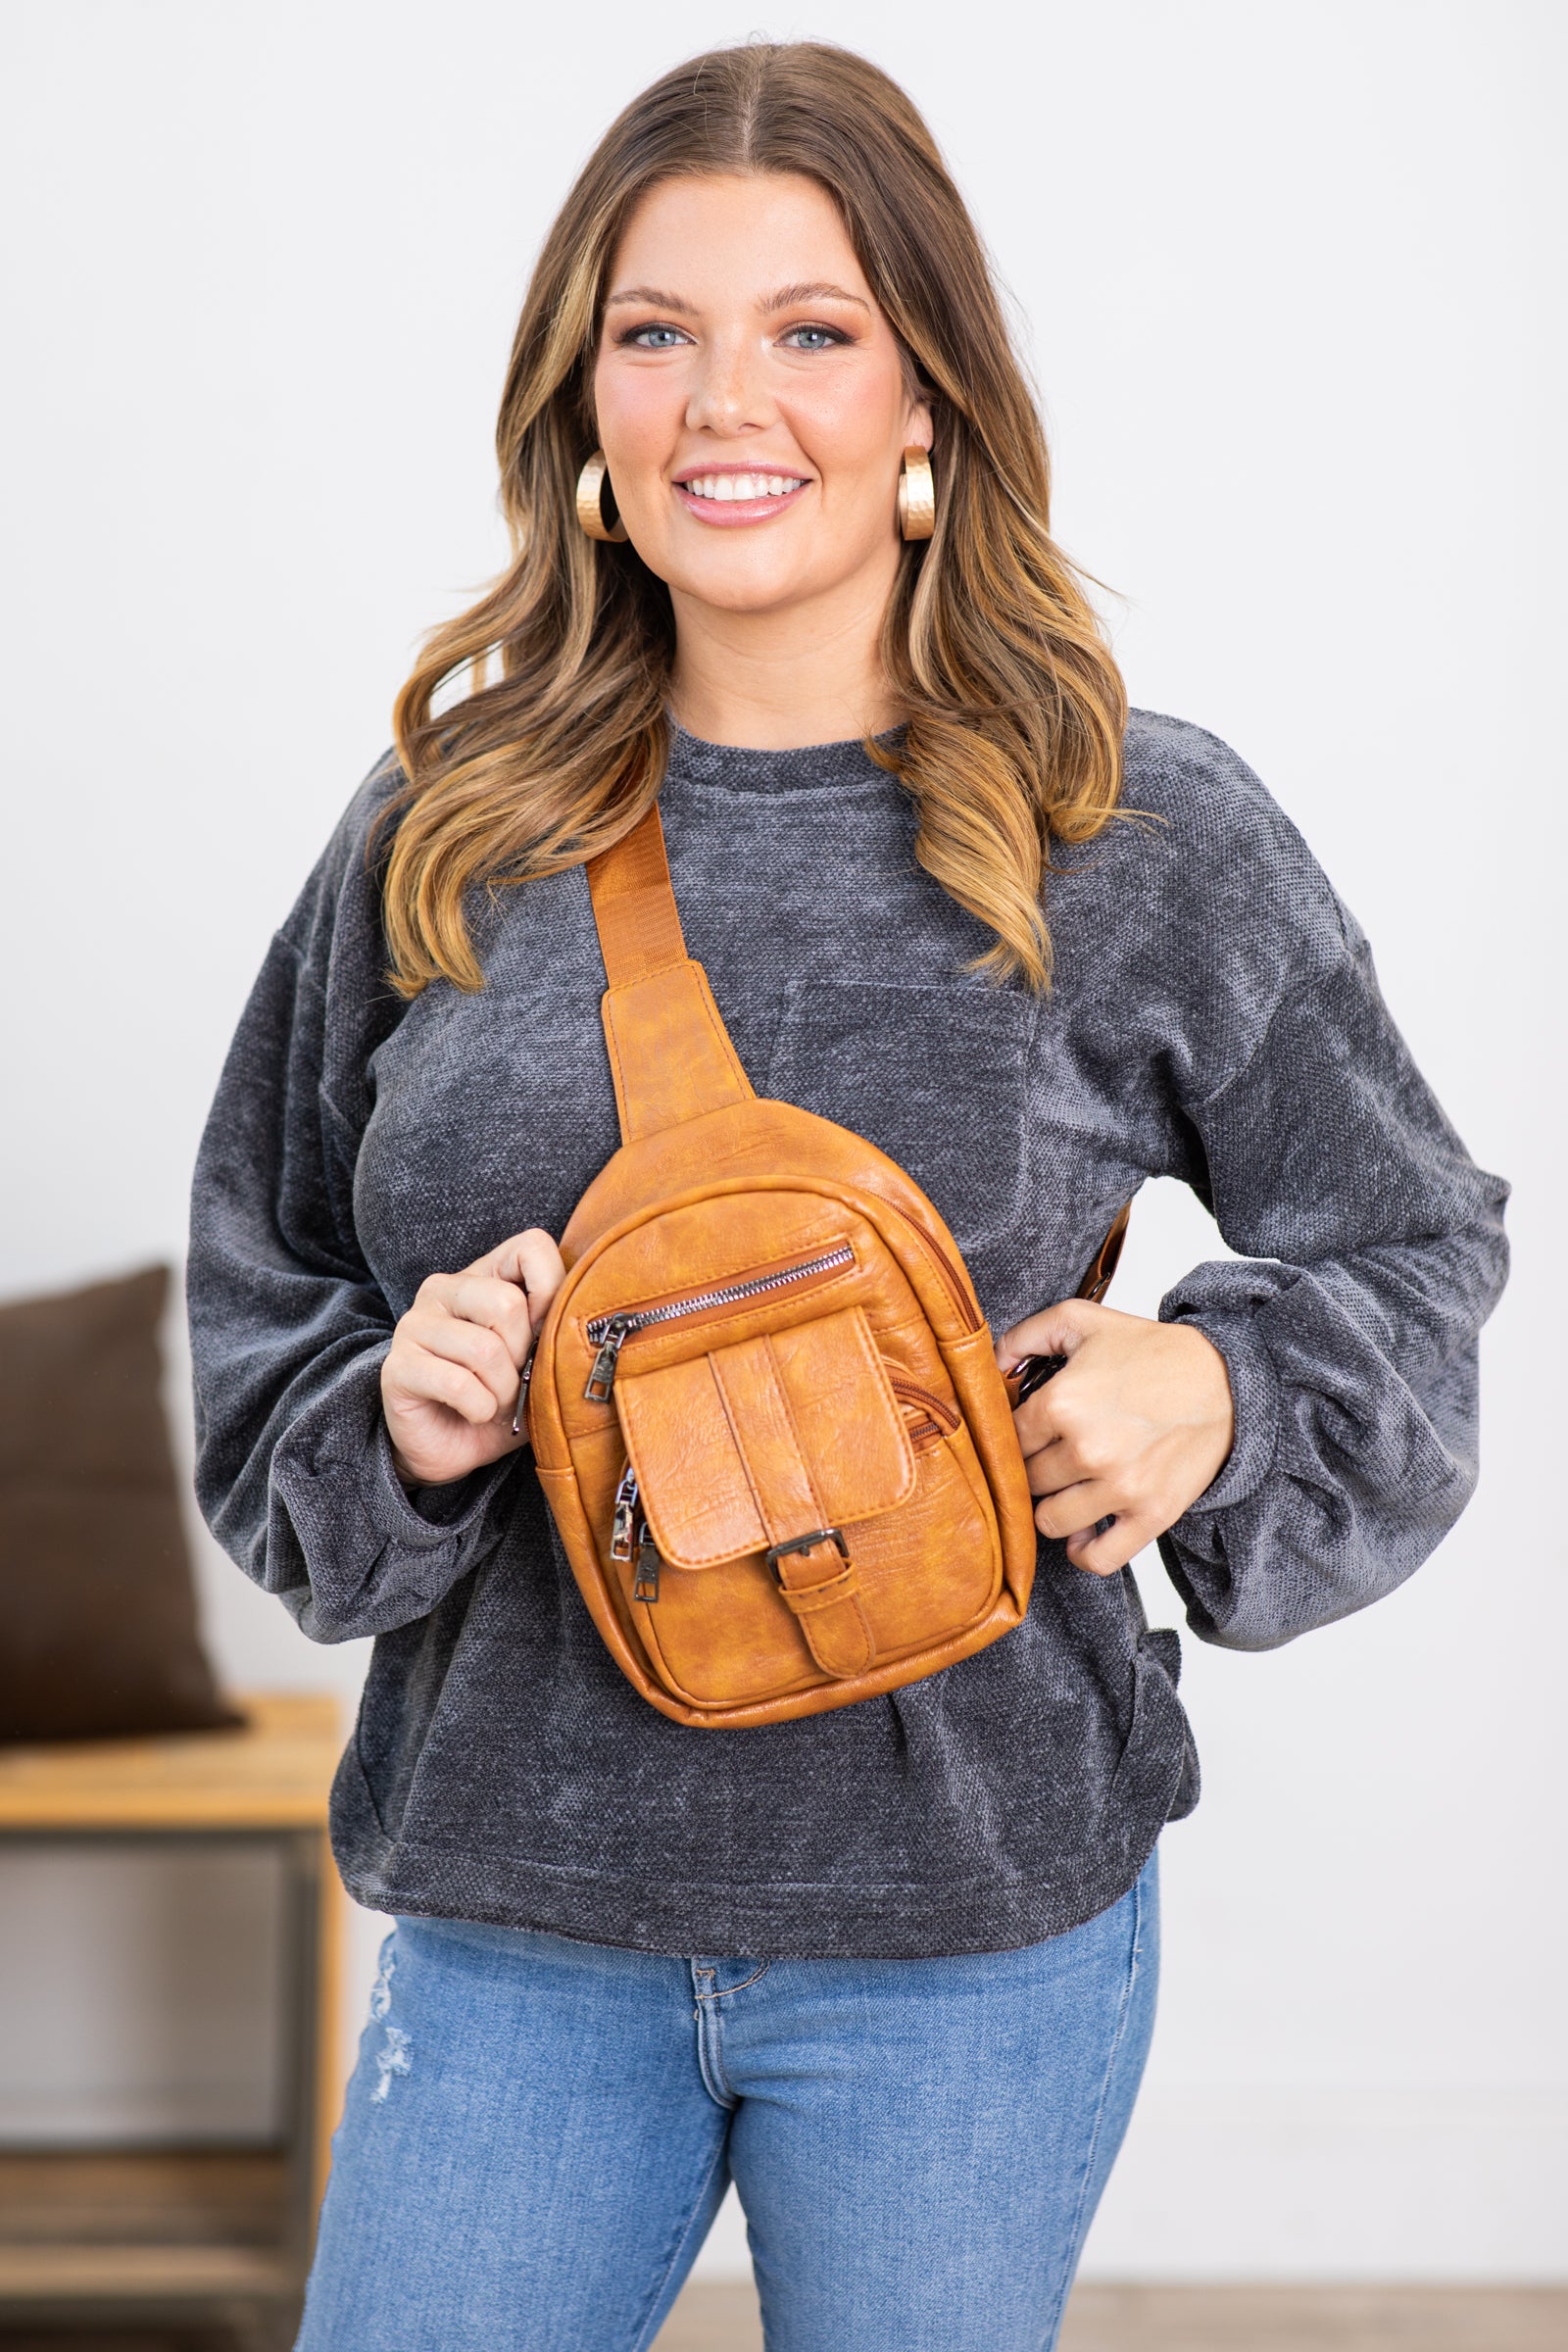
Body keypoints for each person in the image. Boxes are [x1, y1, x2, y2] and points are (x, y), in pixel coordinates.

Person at [187, 41, 1508, 2352]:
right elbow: (257, 1289)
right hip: (515, 1910)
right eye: (655, 332)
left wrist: (1213, 1394)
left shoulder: (1139, 831)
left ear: (925, 397)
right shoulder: (442, 833)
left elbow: (1413, 1245)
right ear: (583, 405)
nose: (727, 402)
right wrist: (391, 1416)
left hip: (966, 1926)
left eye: (810, 329)